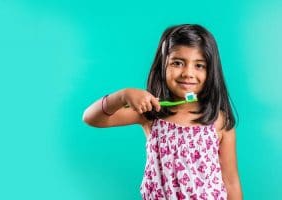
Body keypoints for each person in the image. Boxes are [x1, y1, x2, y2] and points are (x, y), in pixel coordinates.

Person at [83, 24, 242, 200]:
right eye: (177, 63)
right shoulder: (151, 113)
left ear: (211, 71)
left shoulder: (219, 120)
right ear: (162, 66)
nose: (188, 73)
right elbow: (91, 118)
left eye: (199, 65)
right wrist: (122, 96)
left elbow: (231, 180)